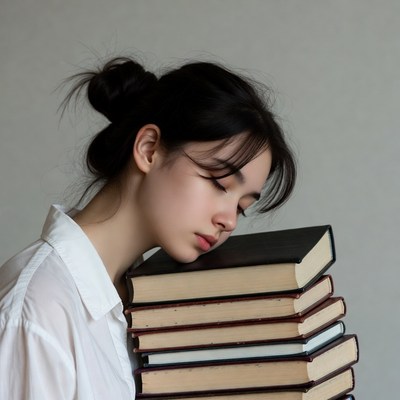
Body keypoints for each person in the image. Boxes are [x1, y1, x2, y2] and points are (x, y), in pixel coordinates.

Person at [0, 56, 296, 399]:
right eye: (218, 182)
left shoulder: (150, 304)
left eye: (243, 207)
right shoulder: (36, 312)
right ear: (149, 149)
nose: (228, 220)